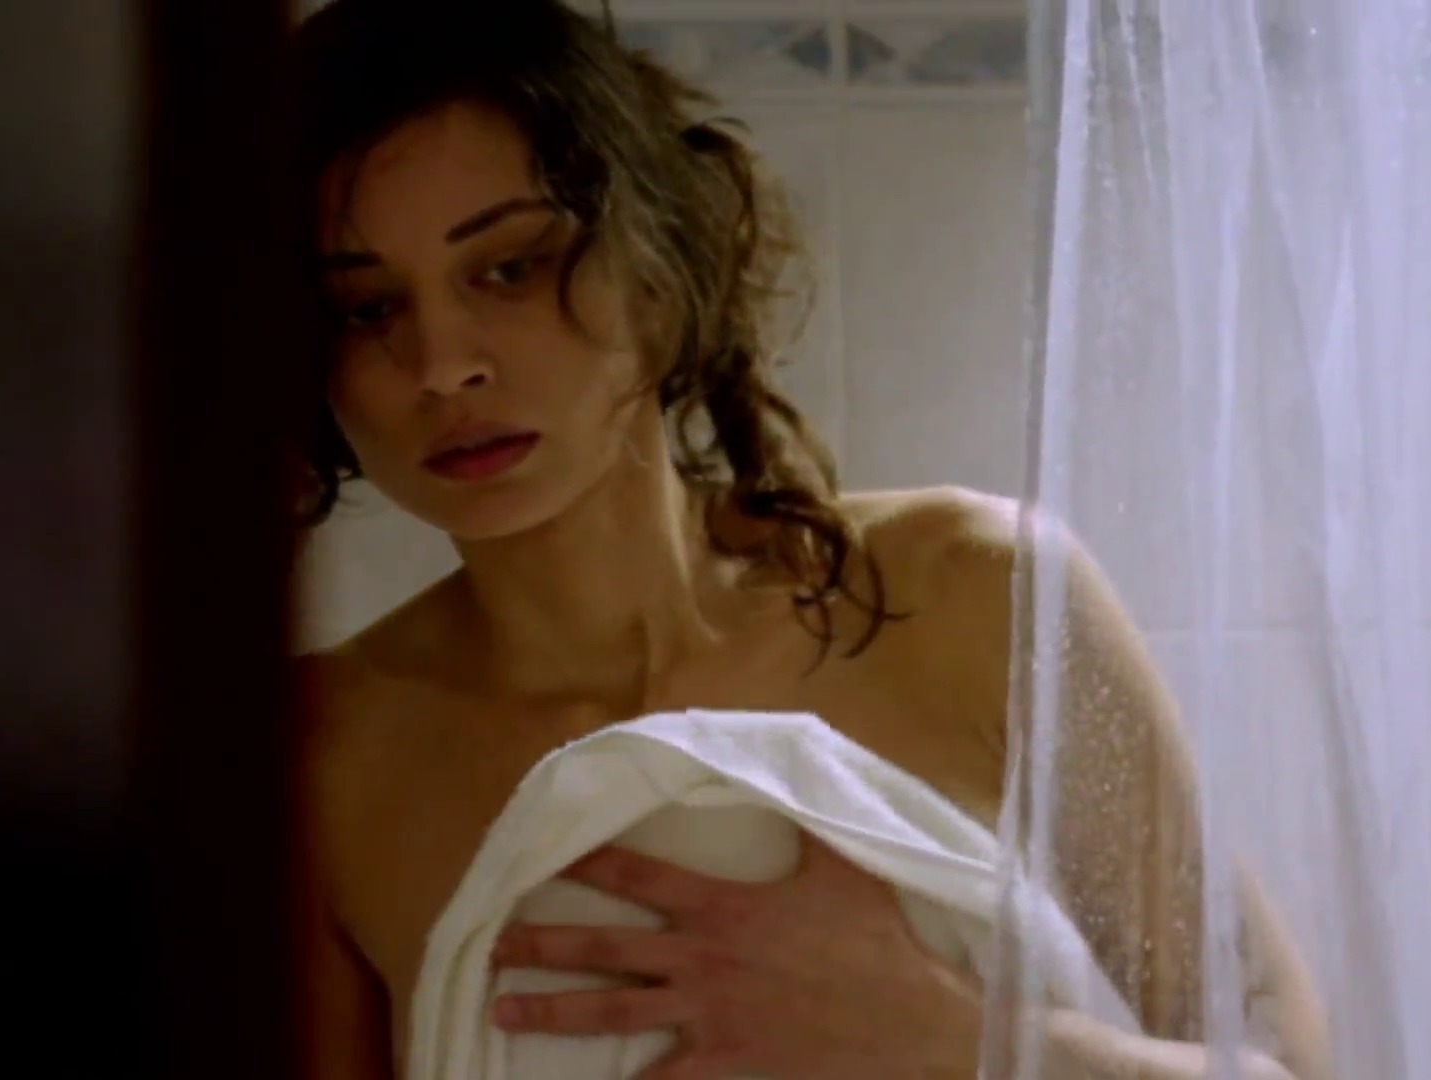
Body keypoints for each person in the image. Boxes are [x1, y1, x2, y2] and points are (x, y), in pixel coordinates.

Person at [291, 1, 1333, 1077]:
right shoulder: (324, 755)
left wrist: (955, 1039)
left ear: (659, 270)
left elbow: (1285, 1063)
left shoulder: (979, 597)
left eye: (509, 267)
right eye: (366, 309)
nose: (441, 366)